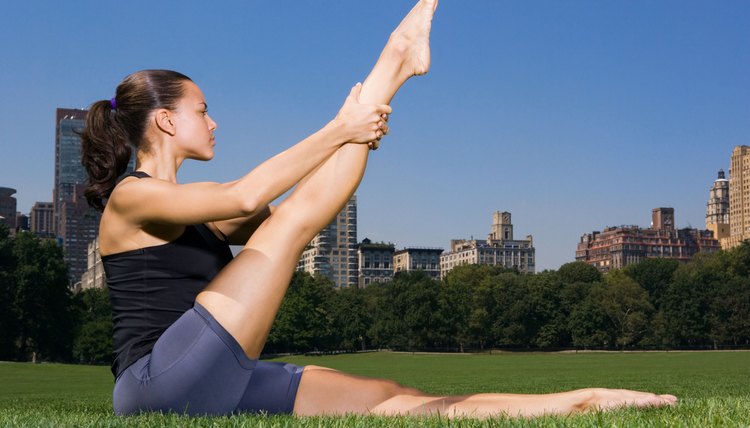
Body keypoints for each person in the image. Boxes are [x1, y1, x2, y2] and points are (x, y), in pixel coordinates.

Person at [81, 0, 676, 418]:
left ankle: (583, 400)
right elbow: (253, 201)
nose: (214, 122)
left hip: (209, 373)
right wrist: (343, 126)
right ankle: (392, 61)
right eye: (202, 110)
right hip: (156, 383)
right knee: (284, 227)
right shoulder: (131, 198)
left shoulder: (193, 211)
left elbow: (303, 204)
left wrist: (360, 125)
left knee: (391, 399)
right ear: (164, 119)